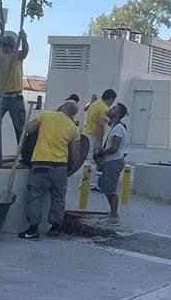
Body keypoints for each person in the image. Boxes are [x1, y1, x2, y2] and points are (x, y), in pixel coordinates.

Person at [18, 100, 81, 240]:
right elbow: (75, 155)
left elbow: (28, 129)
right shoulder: (73, 128)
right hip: (60, 167)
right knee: (58, 197)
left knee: (35, 195)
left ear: (61, 106)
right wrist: (69, 169)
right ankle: (55, 228)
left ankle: (33, 229)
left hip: (41, 164)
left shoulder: (46, 115)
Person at [0, 30, 29, 164]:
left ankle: (24, 155)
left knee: (20, 127)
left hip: (16, 97)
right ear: (2, 46)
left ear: (14, 46)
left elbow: (25, 51)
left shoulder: (17, 56)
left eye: (10, 45)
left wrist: (24, 39)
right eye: (5, 45)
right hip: (0, 97)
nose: (8, 48)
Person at [94, 103, 129, 223]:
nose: (110, 109)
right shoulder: (114, 126)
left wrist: (101, 153)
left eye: (114, 108)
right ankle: (112, 214)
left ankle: (114, 216)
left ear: (118, 114)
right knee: (106, 187)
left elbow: (114, 148)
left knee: (111, 190)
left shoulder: (118, 128)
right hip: (110, 161)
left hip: (113, 162)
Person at [84, 89, 116, 158]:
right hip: (94, 136)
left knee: (86, 158)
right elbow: (100, 126)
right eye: (113, 101)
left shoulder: (95, 103)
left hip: (87, 133)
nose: (112, 103)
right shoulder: (103, 108)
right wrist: (100, 144)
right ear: (111, 99)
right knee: (91, 160)